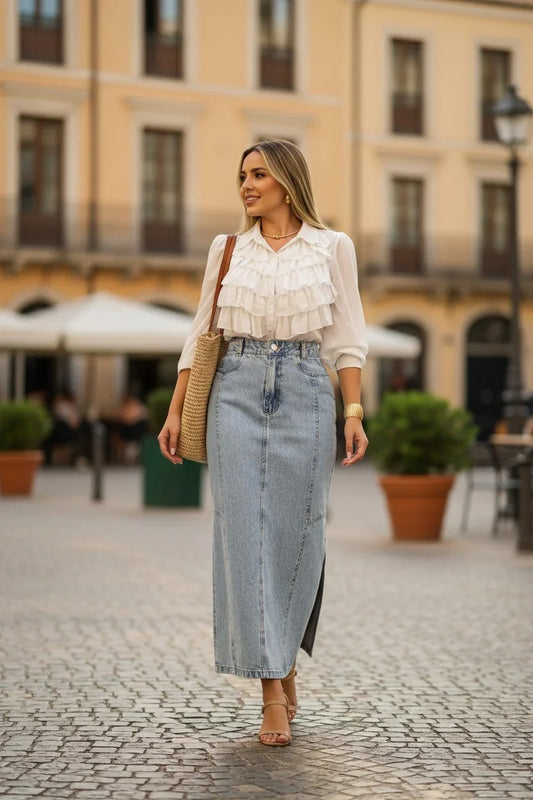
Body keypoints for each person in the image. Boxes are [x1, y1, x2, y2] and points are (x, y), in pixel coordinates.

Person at [158, 139, 368, 747]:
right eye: (242, 175)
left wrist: (352, 411)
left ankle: (284, 657)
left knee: (297, 535)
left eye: (258, 174)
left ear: (286, 180)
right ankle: (271, 689)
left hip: (305, 388)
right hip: (234, 392)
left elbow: (347, 338)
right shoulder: (226, 251)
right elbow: (201, 335)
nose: (246, 185)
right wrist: (175, 412)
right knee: (243, 538)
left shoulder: (332, 247)